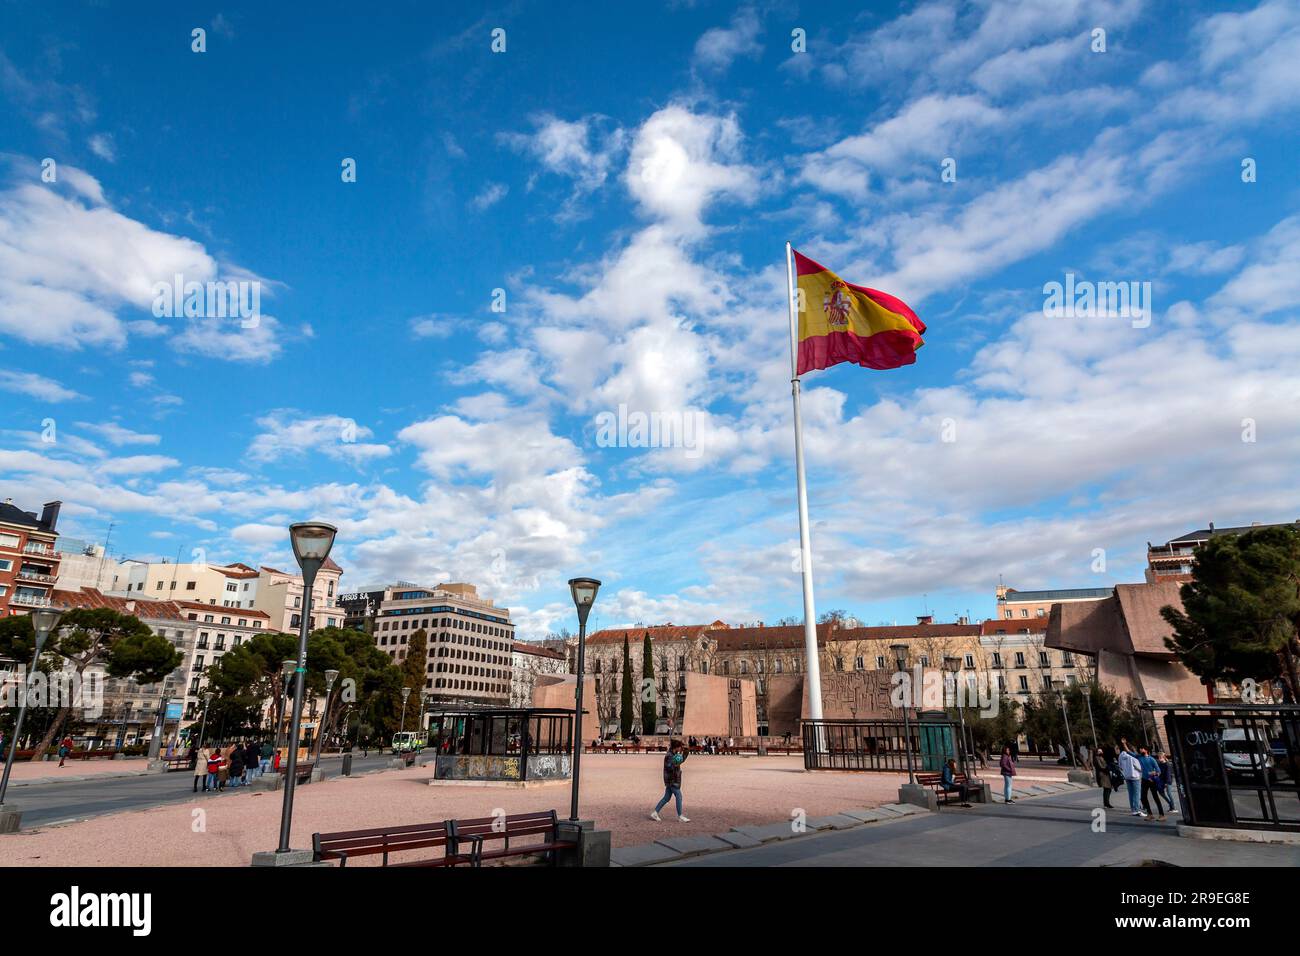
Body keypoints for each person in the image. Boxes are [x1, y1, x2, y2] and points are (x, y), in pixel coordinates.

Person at [650, 740, 690, 822]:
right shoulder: (669, 755)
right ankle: (680, 816)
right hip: (672, 780)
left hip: (672, 779)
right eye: (680, 747)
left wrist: (686, 750)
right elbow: (669, 767)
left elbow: (681, 760)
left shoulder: (674, 754)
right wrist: (675, 764)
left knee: (666, 798)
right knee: (679, 796)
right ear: (676, 747)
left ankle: (655, 813)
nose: (681, 749)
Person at [1117, 739, 1145, 817]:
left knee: (1131, 794)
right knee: (1137, 794)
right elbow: (1138, 766)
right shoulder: (1131, 756)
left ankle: (1133, 809)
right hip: (1135, 776)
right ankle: (1137, 810)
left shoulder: (1120, 756)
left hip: (1127, 776)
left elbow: (1120, 766)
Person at [1138, 746, 1166, 821]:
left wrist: (1152, 775)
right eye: (1140, 748)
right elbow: (1130, 753)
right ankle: (1150, 814)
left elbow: (1158, 771)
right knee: (1143, 797)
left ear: (1146, 750)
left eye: (1141, 748)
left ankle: (1162, 815)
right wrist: (1124, 744)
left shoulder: (1152, 759)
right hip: (1144, 780)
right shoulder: (1140, 757)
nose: (1140, 749)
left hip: (1151, 781)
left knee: (1155, 797)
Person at [1094, 743, 1117, 808]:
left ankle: (1107, 803)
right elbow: (1100, 766)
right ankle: (1106, 803)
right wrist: (1107, 768)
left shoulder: (1102, 757)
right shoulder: (1097, 758)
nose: (1101, 752)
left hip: (1106, 774)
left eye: (1101, 751)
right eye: (1099, 751)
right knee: (1107, 788)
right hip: (1102, 775)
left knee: (1108, 789)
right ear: (1097, 752)